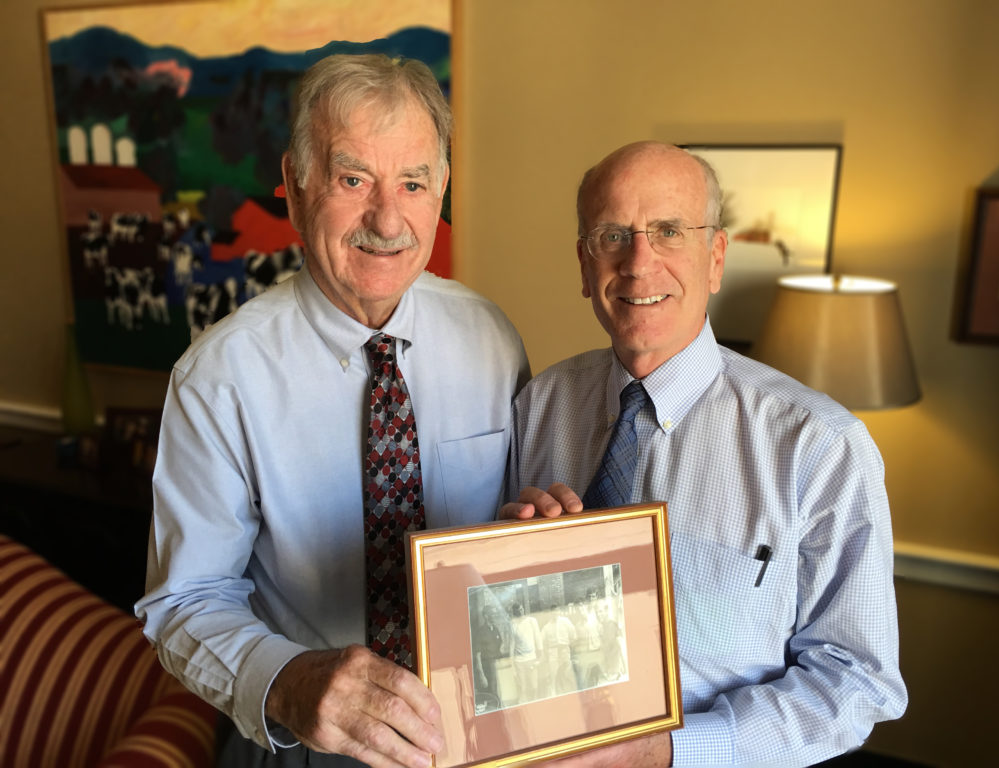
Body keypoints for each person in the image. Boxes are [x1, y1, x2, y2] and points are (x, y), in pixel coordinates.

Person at [135, 54, 529, 768]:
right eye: (354, 180)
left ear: (441, 188)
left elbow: (513, 536)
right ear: (295, 186)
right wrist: (290, 684)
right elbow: (185, 602)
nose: (388, 218)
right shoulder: (218, 377)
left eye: (413, 183)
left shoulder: (492, 338)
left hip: (482, 729)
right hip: (303, 746)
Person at [502, 141, 907, 766]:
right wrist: (509, 556)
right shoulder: (540, 405)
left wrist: (666, 750)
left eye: (669, 231)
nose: (639, 262)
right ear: (585, 265)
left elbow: (857, 682)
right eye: (613, 236)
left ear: (715, 258)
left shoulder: (820, 446)